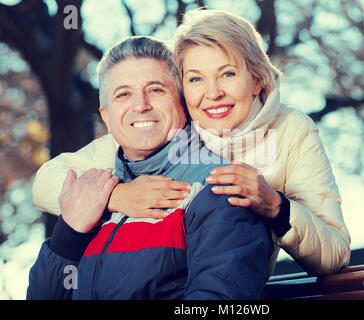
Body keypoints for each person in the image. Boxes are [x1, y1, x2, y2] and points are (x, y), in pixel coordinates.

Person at [32, 9, 351, 275]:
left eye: (227, 74)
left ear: (256, 79)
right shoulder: (168, 127)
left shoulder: (291, 132)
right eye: (196, 78)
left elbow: (334, 255)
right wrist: (119, 195)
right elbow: (47, 182)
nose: (213, 93)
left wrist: (276, 207)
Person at [27, 36, 272, 300]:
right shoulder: (94, 196)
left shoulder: (220, 187)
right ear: (106, 117)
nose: (140, 105)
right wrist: (69, 234)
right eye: (123, 94)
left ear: (183, 104)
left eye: (155, 90)